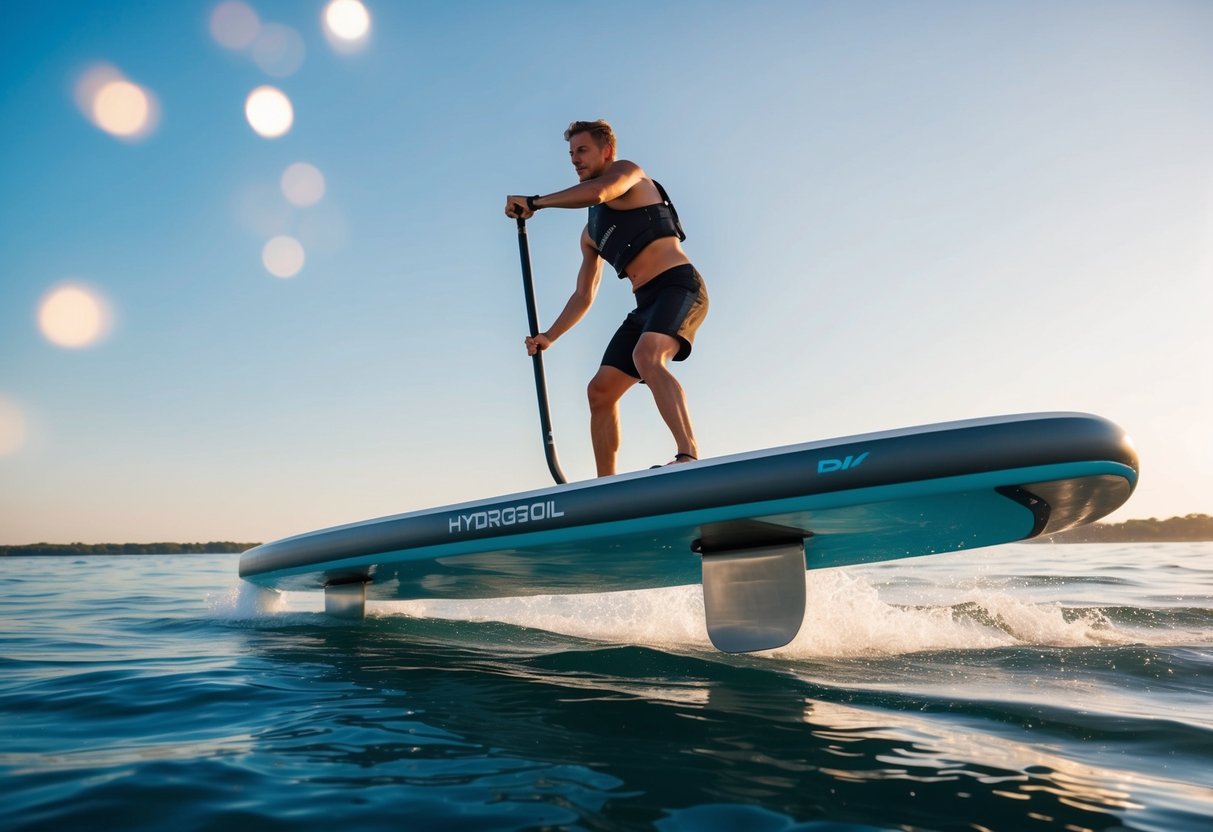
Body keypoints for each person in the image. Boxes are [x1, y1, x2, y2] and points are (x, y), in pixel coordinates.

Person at [505, 119, 709, 477]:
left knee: (647, 356)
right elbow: (584, 295)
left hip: (678, 286)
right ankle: (606, 485)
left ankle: (688, 455)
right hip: (645, 305)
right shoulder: (591, 233)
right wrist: (549, 336)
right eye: (571, 153)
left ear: (607, 151)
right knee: (600, 391)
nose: (575, 159)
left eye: (582, 150)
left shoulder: (629, 174)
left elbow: (599, 192)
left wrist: (536, 202)